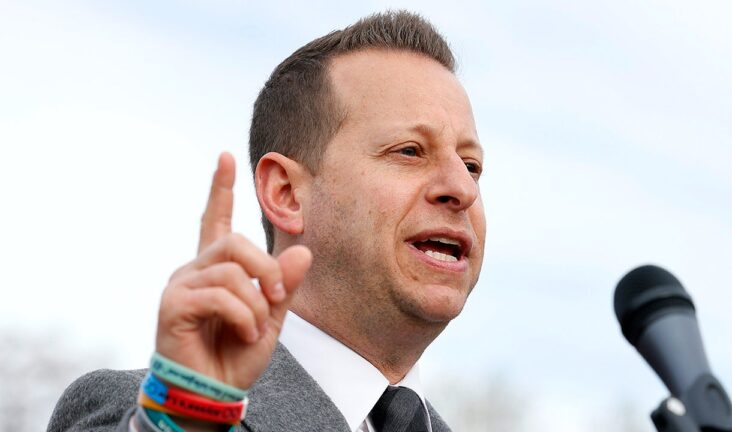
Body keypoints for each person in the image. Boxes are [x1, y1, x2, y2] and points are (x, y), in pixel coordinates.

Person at [48, 10, 485, 432]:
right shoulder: (157, 414)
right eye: (409, 151)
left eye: (471, 166)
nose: (463, 189)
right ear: (286, 193)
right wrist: (187, 417)